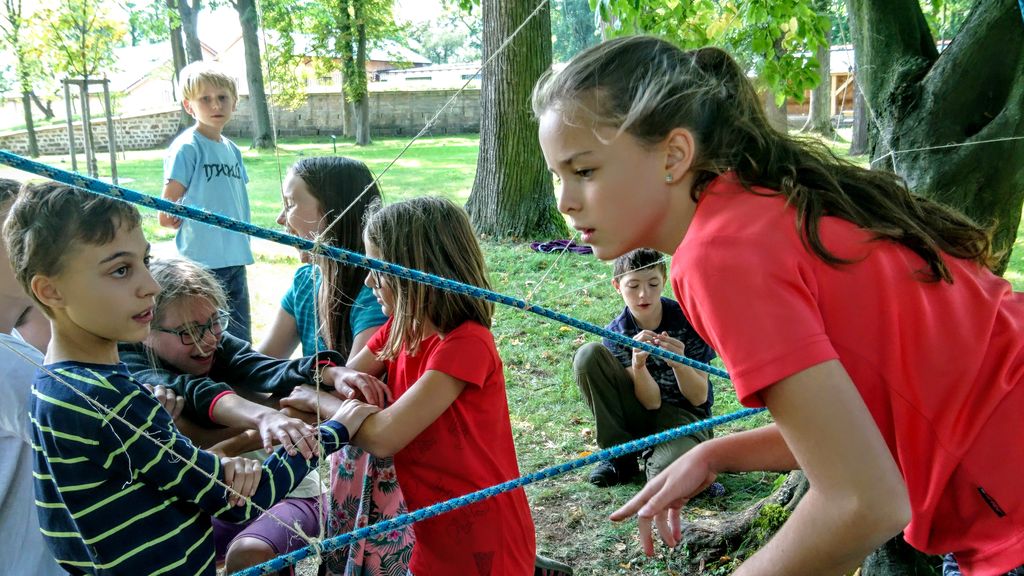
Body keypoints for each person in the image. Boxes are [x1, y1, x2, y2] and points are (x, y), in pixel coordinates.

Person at [533, 36, 1023, 576]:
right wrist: (716, 452)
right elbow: (853, 430)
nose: (565, 201)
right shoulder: (756, 203)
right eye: (557, 176)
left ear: (673, 155)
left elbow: (863, 503)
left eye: (585, 171)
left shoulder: (720, 255)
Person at [3, 181, 377, 575]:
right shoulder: (108, 400)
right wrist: (338, 428)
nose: (150, 286)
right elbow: (239, 500)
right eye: (120, 270)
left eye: (145, 260)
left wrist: (217, 466)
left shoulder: (50, 383)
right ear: (50, 290)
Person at [281, 197, 536, 575]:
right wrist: (320, 392)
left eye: (378, 269)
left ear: (418, 271)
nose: (368, 281)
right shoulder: (400, 330)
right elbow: (326, 392)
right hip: (428, 534)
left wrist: (321, 401)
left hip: (484, 537)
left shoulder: (466, 343)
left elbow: (384, 436)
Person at [118, 256, 356, 574]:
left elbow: (260, 366)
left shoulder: (213, 341)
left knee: (251, 553)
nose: (207, 340)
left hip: (290, 492)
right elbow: (196, 392)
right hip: (216, 499)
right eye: (189, 332)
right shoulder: (130, 366)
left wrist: (324, 371)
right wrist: (266, 415)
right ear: (146, 327)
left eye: (215, 321)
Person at [259, 156, 416, 575]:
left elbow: (347, 392)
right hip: (340, 449)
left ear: (331, 214)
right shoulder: (304, 281)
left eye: (291, 204)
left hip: (380, 467)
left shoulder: (374, 293)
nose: (280, 218)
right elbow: (263, 368)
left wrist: (303, 393)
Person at [574, 248, 716, 487]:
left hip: (687, 418)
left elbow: (698, 397)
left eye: (653, 284)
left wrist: (679, 363)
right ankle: (620, 456)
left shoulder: (689, 320)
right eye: (633, 286)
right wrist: (638, 365)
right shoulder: (616, 333)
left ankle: (663, 456)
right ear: (617, 286)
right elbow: (651, 403)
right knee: (588, 355)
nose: (643, 294)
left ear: (664, 280)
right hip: (642, 412)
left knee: (663, 480)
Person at [161, 60, 254, 342]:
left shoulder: (232, 150)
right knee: (208, 337)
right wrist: (172, 215)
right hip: (203, 262)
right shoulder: (187, 147)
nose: (216, 105)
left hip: (235, 257)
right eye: (205, 99)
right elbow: (166, 211)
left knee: (239, 336)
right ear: (189, 106)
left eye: (223, 97)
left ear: (235, 102)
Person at [0, 179, 62, 576]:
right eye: (15, 230)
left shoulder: (16, 347)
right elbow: (113, 447)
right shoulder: (9, 364)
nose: (40, 245)